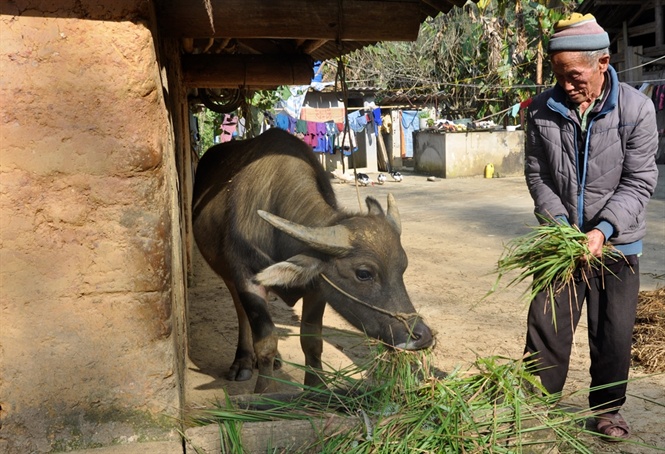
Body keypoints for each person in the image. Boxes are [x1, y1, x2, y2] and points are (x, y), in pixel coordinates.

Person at [522, 13, 659, 441]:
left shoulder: (637, 109)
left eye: (574, 75)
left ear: (603, 62)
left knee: (613, 331)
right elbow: (536, 174)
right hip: (561, 239)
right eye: (560, 75)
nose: (565, 84)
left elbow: (640, 180)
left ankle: (608, 409)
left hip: (618, 243)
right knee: (546, 324)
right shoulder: (542, 109)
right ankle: (533, 403)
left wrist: (602, 229)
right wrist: (560, 224)